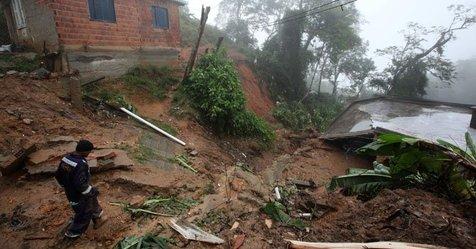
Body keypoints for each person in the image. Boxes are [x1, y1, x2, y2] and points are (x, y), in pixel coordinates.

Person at [55, 140, 104, 238]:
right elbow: (80, 185)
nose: (89, 153)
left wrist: (64, 185)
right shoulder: (81, 164)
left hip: (71, 189)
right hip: (78, 194)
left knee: (92, 200)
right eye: (89, 151)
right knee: (83, 212)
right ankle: (74, 232)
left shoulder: (66, 158)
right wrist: (91, 191)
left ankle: (97, 216)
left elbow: (58, 175)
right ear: (84, 151)